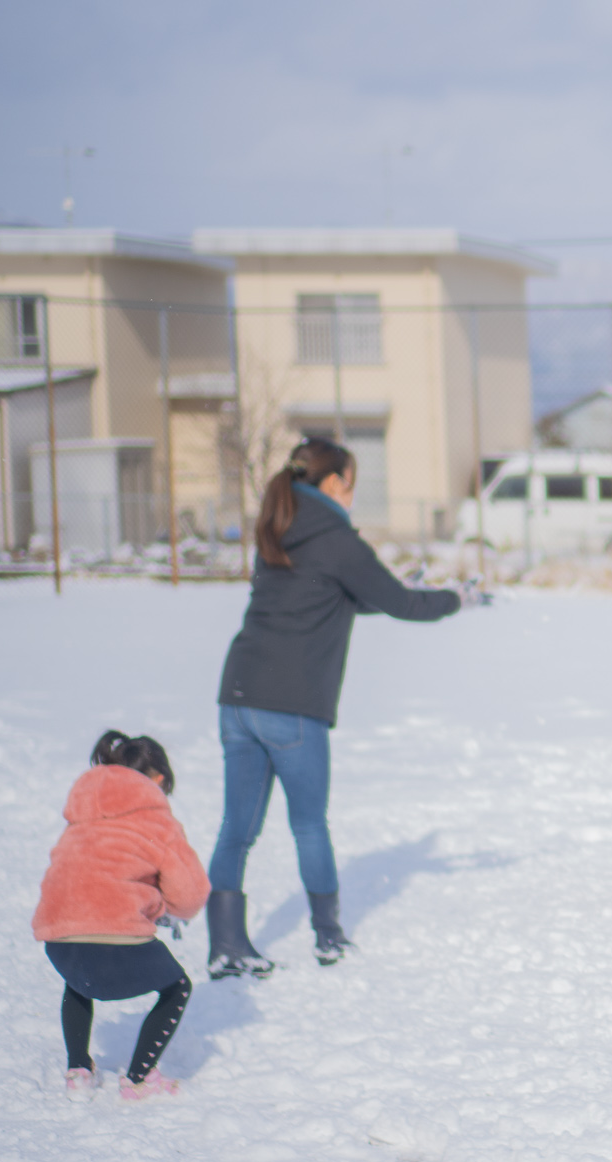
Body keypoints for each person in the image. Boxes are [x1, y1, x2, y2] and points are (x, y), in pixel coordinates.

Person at [210, 439, 462, 978]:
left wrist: (405, 591)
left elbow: (338, 596)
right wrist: (456, 598)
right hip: (292, 704)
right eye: (351, 483)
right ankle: (328, 937)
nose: (352, 494)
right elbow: (401, 604)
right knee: (308, 825)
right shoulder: (337, 539)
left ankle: (226, 944)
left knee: (236, 828)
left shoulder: (278, 526)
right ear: (332, 484)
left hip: (237, 694)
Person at [32, 732, 209, 1102]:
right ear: (157, 779)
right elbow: (191, 893)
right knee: (178, 986)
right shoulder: (157, 819)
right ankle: (139, 1078)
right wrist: (167, 909)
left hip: (60, 940)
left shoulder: (80, 814)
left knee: (78, 981)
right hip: (117, 942)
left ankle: (78, 1069)